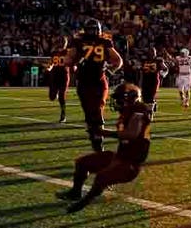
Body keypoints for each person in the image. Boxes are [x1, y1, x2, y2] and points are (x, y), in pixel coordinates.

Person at [57, 82, 152, 213]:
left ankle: (83, 203)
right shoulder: (128, 112)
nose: (116, 101)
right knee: (82, 163)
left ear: (130, 98)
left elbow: (131, 134)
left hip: (131, 164)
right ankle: (75, 193)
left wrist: (103, 132)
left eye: (119, 98)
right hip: (120, 157)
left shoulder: (139, 110)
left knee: (101, 177)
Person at [72, 18, 123, 152]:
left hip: (92, 80)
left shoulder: (85, 41)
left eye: (92, 30)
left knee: (95, 110)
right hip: (89, 80)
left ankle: (98, 137)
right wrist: (111, 70)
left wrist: (111, 68)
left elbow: (118, 60)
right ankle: (96, 135)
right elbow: (118, 61)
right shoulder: (93, 41)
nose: (91, 32)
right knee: (91, 111)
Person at [136, 47, 169, 120]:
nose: (151, 53)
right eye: (150, 52)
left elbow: (165, 69)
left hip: (154, 80)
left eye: (153, 52)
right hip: (145, 80)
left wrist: (163, 74)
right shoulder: (144, 60)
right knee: (145, 98)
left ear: (155, 52)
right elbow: (140, 69)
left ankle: (150, 113)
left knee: (151, 97)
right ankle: (151, 108)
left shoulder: (158, 60)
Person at [46, 37, 71, 123]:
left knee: (62, 96)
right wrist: (49, 67)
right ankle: (55, 93)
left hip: (64, 76)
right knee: (52, 97)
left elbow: (72, 61)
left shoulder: (68, 52)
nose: (62, 43)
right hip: (55, 76)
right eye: (61, 41)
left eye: (64, 42)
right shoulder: (54, 52)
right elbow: (51, 63)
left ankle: (63, 114)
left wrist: (74, 66)